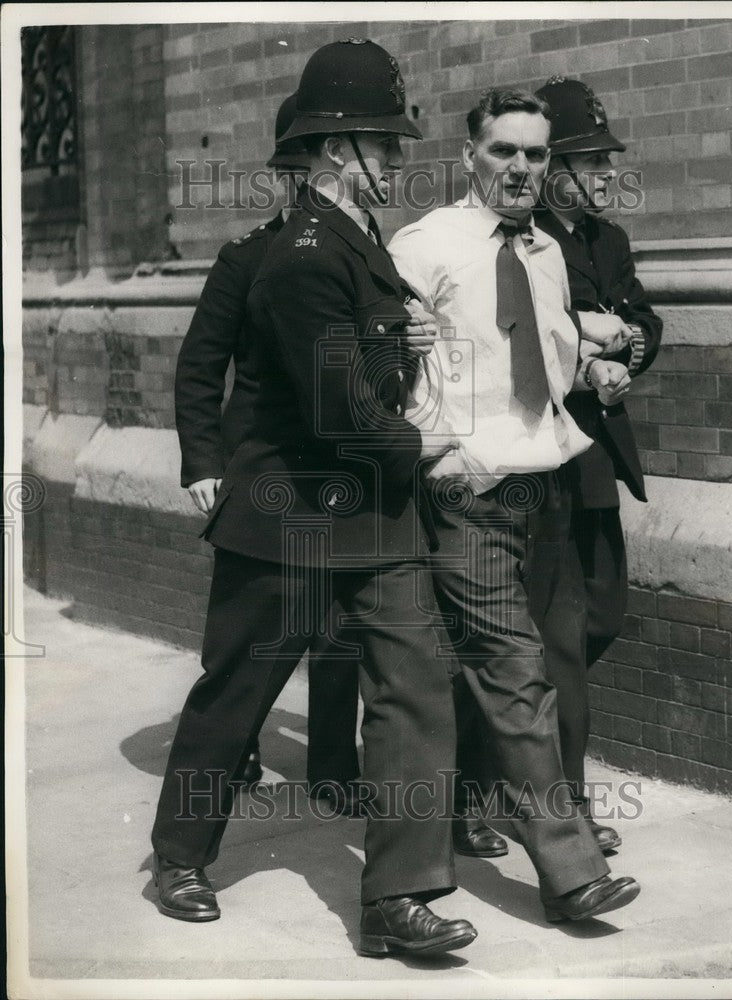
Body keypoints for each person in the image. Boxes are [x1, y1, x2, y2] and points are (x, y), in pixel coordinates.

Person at [151, 38, 478, 958]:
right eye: (386, 143)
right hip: (288, 517)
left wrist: (403, 342)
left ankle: (397, 900)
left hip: (374, 516)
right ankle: (180, 855)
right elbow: (333, 405)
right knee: (239, 695)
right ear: (337, 151)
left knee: (415, 692)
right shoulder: (298, 253)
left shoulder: (352, 243)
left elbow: (354, 371)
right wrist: (424, 442)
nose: (399, 161)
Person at [388, 87, 640, 923]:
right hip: (470, 490)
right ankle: (569, 875)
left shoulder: (543, 254)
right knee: (514, 670)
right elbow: (393, 370)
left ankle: (463, 805)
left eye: (535, 154)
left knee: (520, 663)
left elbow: (543, 361)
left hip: (549, 489)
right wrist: (443, 456)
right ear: (469, 157)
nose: (522, 168)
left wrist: (593, 366)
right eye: (504, 151)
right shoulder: (425, 247)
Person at [174, 93, 361, 805]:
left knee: (342, 642)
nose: (299, 192)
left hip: (343, 485)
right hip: (266, 483)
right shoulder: (246, 258)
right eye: (290, 178)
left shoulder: (354, 254)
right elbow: (200, 365)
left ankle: (335, 771)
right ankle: (220, 772)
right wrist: (203, 461)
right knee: (244, 654)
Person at [531, 76, 663, 850]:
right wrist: (587, 351)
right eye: (590, 160)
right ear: (553, 168)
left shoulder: (605, 240)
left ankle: (498, 767)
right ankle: (566, 810)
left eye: (607, 159)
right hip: (549, 458)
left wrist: (632, 343)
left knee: (602, 614)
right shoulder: (529, 239)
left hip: (599, 460)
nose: (607, 173)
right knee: (561, 637)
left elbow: (639, 312)